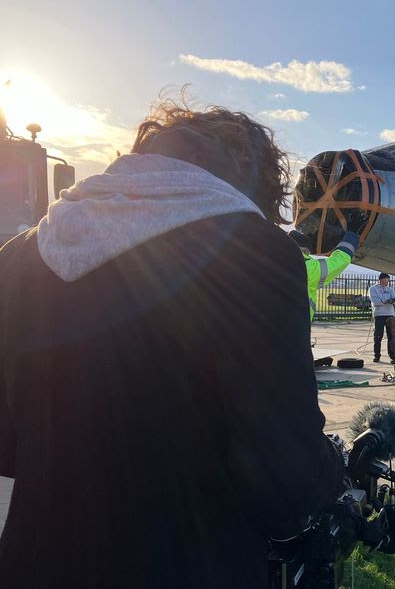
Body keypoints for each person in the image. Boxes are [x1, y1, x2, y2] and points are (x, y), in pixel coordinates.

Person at [0, 101, 346, 588]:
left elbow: (5, 445)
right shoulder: (253, 250)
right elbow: (284, 479)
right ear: (251, 183)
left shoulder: (17, 258)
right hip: (194, 563)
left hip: (35, 562)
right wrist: (331, 471)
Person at [288, 228, 360, 322]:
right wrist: (352, 236)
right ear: (306, 250)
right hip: (294, 325)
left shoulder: (269, 261)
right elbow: (340, 260)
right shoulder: (308, 268)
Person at [369, 272, 395, 363]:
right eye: (386, 280)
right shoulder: (373, 289)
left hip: (390, 314)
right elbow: (375, 301)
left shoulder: (390, 289)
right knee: (378, 336)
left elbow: (394, 299)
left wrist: (394, 301)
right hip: (379, 314)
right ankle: (376, 355)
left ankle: (392, 356)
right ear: (381, 280)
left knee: (391, 336)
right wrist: (385, 302)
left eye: (388, 280)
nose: (388, 282)